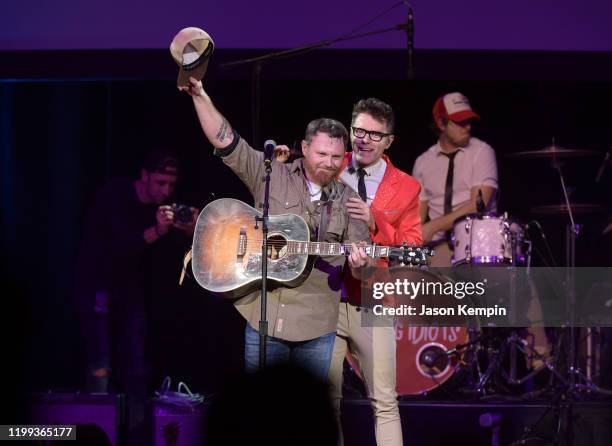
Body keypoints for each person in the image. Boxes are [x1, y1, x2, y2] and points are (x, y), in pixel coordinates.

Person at [179, 76, 371, 381]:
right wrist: (200, 94)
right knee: (261, 417)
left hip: (317, 326)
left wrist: (360, 266)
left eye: (336, 157)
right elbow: (226, 141)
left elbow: (363, 267)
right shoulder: (272, 175)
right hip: (264, 317)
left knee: (307, 416)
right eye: (321, 154)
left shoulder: (350, 201)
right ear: (305, 148)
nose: (329, 163)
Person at [276, 97, 421, 446]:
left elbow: (412, 246)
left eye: (375, 134)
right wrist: (281, 166)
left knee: (384, 402)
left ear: (389, 140)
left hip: (373, 301)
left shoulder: (406, 186)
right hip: (325, 300)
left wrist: (376, 221)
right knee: (326, 403)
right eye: (359, 130)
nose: (364, 140)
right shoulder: (330, 167)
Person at [74, 149, 198, 442]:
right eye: (160, 183)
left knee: (135, 370)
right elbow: (118, 248)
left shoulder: (163, 208)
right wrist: (157, 230)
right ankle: (94, 436)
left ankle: (136, 437)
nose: (166, 190)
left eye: (171, 184)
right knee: (101, 365)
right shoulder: (115, 195)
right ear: (144, 177)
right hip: (97, 287)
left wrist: (190, 227)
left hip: (131, 295)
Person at [412, 92, 497, 266]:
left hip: (478, 242)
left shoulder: (482, 152)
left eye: (469, 121)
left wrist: (433, 226)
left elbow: (478, 205)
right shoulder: (422, 162)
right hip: (439, 246)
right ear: (441, 123)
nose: (467, 127)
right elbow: (417, 216)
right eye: (460, 122)